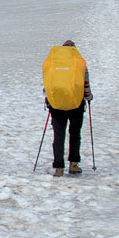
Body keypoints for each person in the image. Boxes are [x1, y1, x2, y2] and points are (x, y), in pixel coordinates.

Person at [41, 39, 91, 176]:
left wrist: (49, 99)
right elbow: (85, 83)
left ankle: (58, 168)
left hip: (56, 105)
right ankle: (73, 164)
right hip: (76, 104)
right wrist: (88, 96)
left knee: (59, 135)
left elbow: (47, 84)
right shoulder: (79, 63)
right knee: (75, 134)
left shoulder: (52, 63)